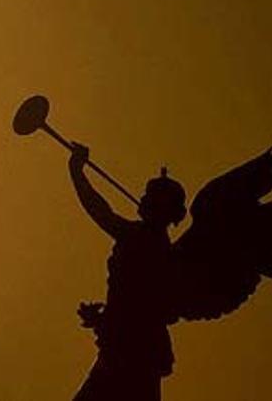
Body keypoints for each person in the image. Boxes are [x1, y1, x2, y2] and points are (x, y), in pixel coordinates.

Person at [68, 142, 185, 401]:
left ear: (160, 207)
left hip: (131, 352)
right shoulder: (149, 241)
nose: (142, 198)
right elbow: (135, 303)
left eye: (149, 195)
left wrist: (77, 172)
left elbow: (101, 212)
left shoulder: (144, 240)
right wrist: (104, 318)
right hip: (129, 348)